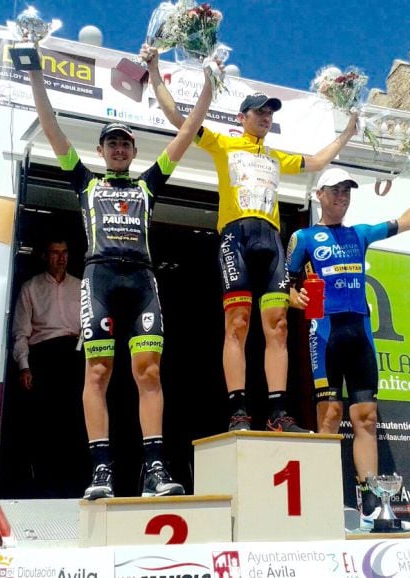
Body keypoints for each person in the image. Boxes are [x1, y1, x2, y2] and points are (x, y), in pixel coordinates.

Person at [27, 46, 213, 499]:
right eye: (111, 142)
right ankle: (101, 471)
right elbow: (51, 129)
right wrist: (35, 72)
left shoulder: (150, 182)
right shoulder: (86, 183)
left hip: (143, 282)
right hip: (101, 281)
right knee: (98, 373)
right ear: (101, 150)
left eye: (125, 143)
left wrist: (209, 81)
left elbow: (187, 132)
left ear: (133, 150)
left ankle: (154, 469)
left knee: (149, 373)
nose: (118, 148)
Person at [146, 45, 359, 432]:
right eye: (259, 111)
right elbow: (179, 118)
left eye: (269, 112)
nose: (265, 116)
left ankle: (279, 413)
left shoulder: (276, 156)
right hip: (236, 237)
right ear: (241, 116)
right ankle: (238, 411)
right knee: (238, 324)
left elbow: (317, 162)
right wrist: (155, 70)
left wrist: (347, 132)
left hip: (271, 240)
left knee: (277, 325)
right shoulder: (224, 143)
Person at [286, 164, 410, 529]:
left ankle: (372, 505)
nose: (341, 197)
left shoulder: (360, 234)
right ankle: (326, 501)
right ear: (320, 196)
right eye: (335, 191)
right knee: (329, 418)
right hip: (325, 334)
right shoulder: (305, 237)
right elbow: (286, 282)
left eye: (346, 191)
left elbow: (404, 222)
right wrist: (292, 296)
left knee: (367, 419)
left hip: (360, 334)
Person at [11, 237, 87, 497]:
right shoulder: (30, 287)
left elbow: (90, 327)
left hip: (76, 356)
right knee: (47, 426)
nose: (61, 258)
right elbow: (21, 332)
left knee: (77, 423)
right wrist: (24, 366)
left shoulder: (81, 287)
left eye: (64, 252)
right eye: (55, 253)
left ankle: (76, 486)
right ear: (45, 256)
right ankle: (45, 487)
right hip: (44, 357)